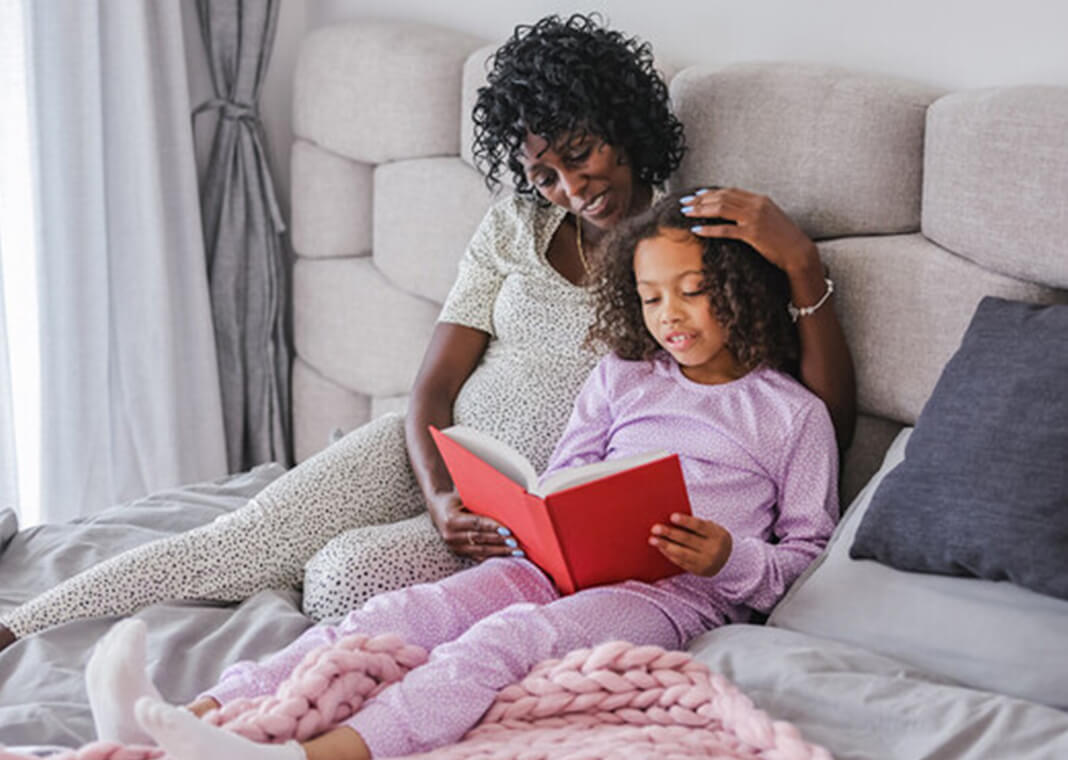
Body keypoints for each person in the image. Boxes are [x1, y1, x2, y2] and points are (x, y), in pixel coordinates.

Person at [0, 13, 854, 652]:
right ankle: (22, 625)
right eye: (543, 171)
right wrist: (441, 492)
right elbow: (433, 390)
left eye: (580, 154)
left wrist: (803, 267)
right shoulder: (515, 225)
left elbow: (806, 418)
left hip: (528, 519)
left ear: (624, 124)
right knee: (244, 536)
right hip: (443, 456)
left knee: (343, 574)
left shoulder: (683, 252)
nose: (566, 185)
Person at [82, 191, 840, 760]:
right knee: (399, 614)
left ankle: (310, 756)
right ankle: (190, 716)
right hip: (559, 566)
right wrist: (551, 510)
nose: (669, 316)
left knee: (502, 641)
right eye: (649, 298)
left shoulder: (790, 415)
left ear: (740, 288)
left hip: (671, 597)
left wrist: (726, 557)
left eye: (692, 291)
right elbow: (572, 468)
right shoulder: (625, 377)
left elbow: (808, 562)